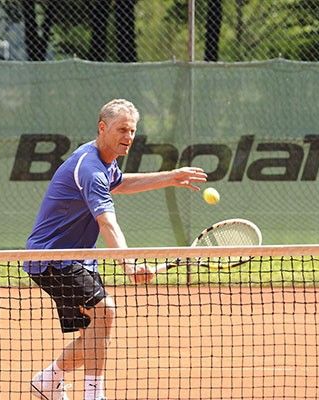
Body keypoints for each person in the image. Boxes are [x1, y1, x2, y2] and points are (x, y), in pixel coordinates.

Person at [24, 98, 208, 400]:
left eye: (132, 131)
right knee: (105, 311)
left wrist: (170, 177)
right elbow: (108, 223)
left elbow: (120, 183)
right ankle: (93, 395)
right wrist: (129, 265)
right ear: (102, 127)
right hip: (52, 258)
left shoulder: (106, 161)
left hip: (79, 259)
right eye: (122, 129)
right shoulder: (91, 169)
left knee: (96, 332)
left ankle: (48, 380)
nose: (128, 137)